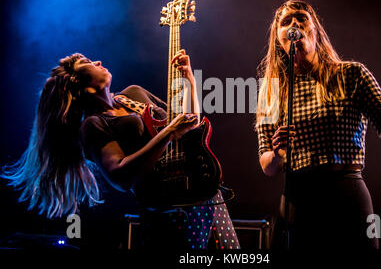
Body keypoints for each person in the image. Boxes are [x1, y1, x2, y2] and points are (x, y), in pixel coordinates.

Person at [2, 50, 239, 250]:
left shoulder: (134, 94)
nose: (98, 62)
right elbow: (120, 176)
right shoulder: (93, 125)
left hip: (204, 192)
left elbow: (190, 124)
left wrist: (189, 80)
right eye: (86, 62)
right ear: (80, 85)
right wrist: (169, 133)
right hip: (166, 212)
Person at [255, 0, 381, 250]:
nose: (294, 23)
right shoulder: (272, 92)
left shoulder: (352, 74)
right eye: (286, 22)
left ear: (315, 31)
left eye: (301, 18)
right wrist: (277, 152)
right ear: (278, 39)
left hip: (346, 194)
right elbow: (268, 166)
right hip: (299, 198)